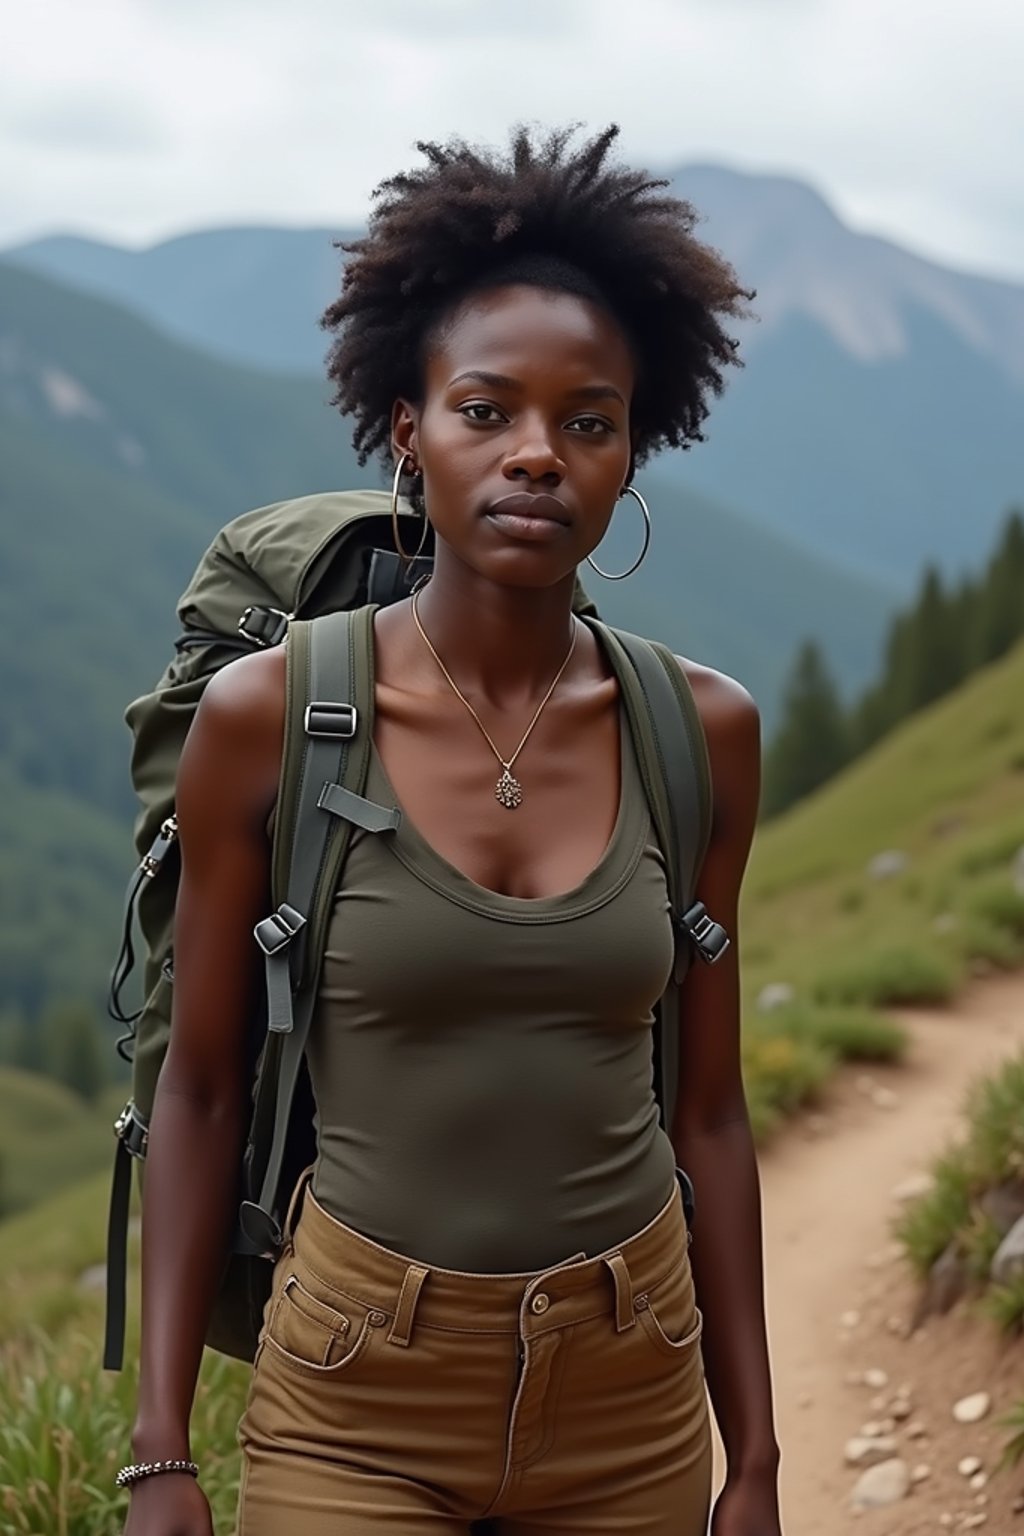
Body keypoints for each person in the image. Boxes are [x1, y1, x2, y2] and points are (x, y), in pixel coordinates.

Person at [122, 124, 780, 1536]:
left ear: (629, 451)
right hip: (358, 1394)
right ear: (407, 432)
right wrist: (160, 1451)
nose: (537, 455)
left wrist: (759, 1460)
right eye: (488, 411)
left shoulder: (699, 731)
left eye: (587, 421)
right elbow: (199, 1086)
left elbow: (711, 1112)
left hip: (634, 1387)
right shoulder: (270, 718)